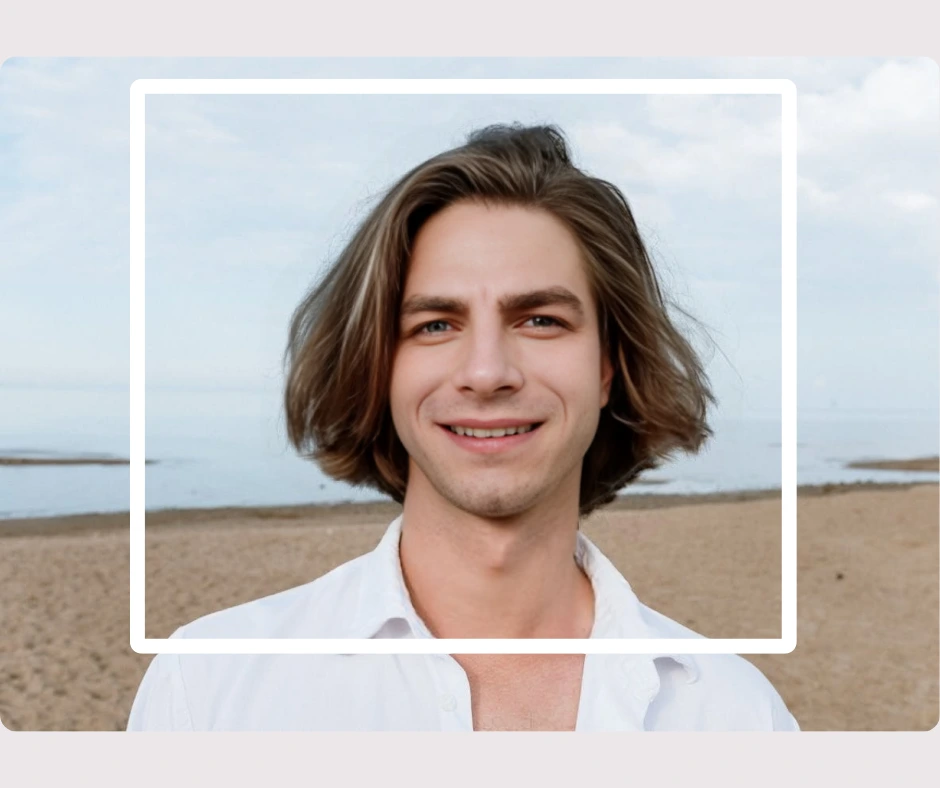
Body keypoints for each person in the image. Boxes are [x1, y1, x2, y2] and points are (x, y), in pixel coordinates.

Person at [127, 123, 799, 731]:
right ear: (378, 368)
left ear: (608, 368)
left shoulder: (736, 718)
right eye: (435, 325)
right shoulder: (209, 689)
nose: (485, 372)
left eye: (540, 320)